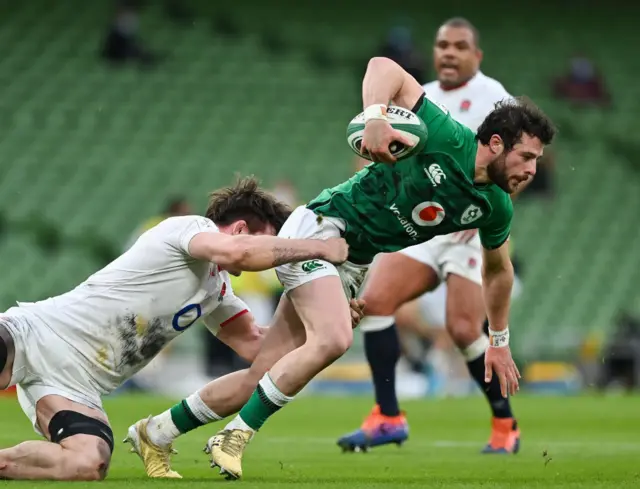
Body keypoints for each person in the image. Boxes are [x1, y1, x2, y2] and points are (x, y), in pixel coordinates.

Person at [126, 56, 556, 480]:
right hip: (322, 229)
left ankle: (155, 431)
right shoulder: (448, 137)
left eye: (537, 161)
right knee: (334, 337)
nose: (532, 170)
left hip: (351, 264)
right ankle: (235, 436)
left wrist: (497, 340)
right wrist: (374, 117)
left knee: (256, 376)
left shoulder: (495, 206)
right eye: (527, 157)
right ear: (496, 144)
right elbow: (382, 66)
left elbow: (498, 270)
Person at [0, 177, 354, 481]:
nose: (272, 259)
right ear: (243, 230)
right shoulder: (188, 229)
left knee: (88, 463)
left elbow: (257, 347)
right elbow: (240, 253)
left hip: (75, 388)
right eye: (272, 243)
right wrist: (318, 247)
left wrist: (323, 319)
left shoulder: (216, 291)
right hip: (33, 334)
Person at [338, 17, 525, 454]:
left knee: (462, 327)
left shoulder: (495, 98)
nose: (449, 53)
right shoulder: (421, 95)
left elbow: (520, 166)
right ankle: (387, 415)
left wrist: (482, 215)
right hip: (423, 224)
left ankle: (505, 426)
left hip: (470, 229)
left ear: (476, 56)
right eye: (443, 45)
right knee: (375, 304)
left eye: (460, 46)